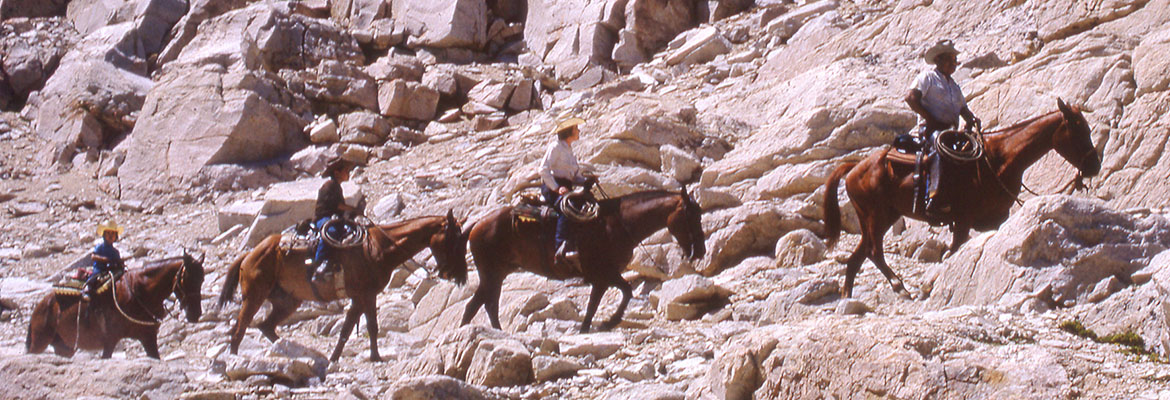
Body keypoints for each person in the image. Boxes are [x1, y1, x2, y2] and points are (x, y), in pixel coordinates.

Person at [905, 39, 981, 216]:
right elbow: (911, 98)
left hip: (950, 131)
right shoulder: (927, 78)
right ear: (938, 60)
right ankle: (935, 197)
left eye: (955, 60)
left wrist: (972, 119)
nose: (953, 63)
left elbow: (963, 109)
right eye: (949, 59)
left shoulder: (954, 86)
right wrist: (931, 120)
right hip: (931, 130)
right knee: (941, 149)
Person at [539, 117, 590, 261]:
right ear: (569, 132)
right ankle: (560, 246)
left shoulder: (570, 151)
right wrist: (556, 188)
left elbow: (575, 176)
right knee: (568, 208)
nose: (578, 131)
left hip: (566, 188)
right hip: (552, 187)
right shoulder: (555, 147)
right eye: (576, 128)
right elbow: (543, 170)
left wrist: (586, 181)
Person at [310, 158, 357, 283]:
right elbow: (338, 206)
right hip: (323, 218)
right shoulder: (330, 186)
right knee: (330, 232)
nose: (348, 173)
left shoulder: (337, 186)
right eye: (345, 170)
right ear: (337, 173)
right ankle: (319, 265)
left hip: (334, 218)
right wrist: (353, 209)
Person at [84, 220, 125, 301]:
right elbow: (93, 257)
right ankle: (88, 289)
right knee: (95, 275)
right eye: (108, 233)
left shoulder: (115, 251)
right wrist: (105, 260)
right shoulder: (99, 247)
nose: (110, 236)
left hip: (111, 269)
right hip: (100, 268)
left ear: (116, 236)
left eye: (112, 233)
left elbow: (117, 260)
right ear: (104, 235)